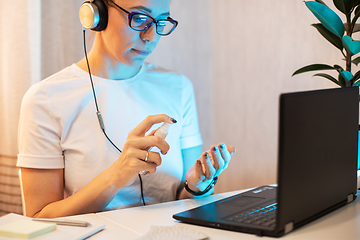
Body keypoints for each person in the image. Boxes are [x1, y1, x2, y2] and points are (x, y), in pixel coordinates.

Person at [17, 0, 235, 218]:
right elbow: (38, 218)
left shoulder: (178, 88)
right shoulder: (45, 99)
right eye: (140, 18)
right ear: (96, 14)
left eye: (161, 22)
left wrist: (197, 186)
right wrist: (117, 175)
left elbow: (186, 204)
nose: (150, 36)